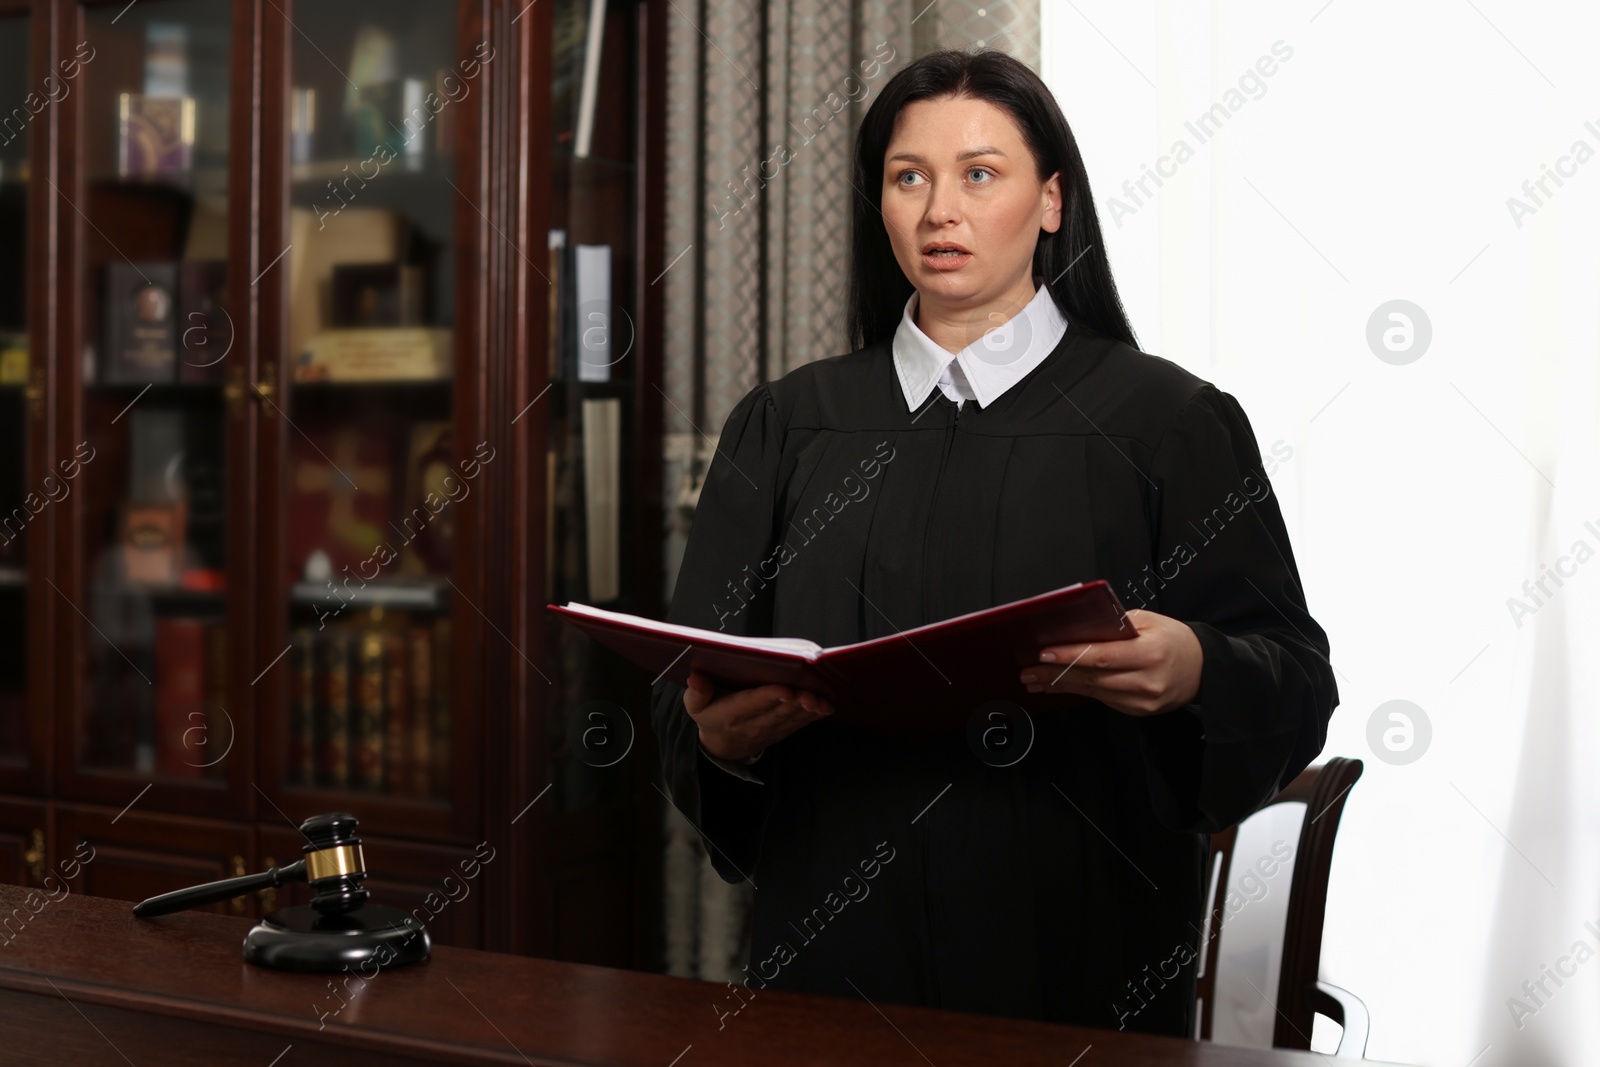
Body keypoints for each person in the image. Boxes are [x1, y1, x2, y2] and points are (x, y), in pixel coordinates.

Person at [650, 48, 1338, 1037]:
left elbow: (1295, 677)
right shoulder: (786, 426)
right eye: (907, 177)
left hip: (1078, 959)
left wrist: (1192, 664)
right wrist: (712, 738)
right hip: (831, 956)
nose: (940, 210)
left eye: (979, 173)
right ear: (877, 204)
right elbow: (682, 683)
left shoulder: (1168, 422)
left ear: (1051, 201)